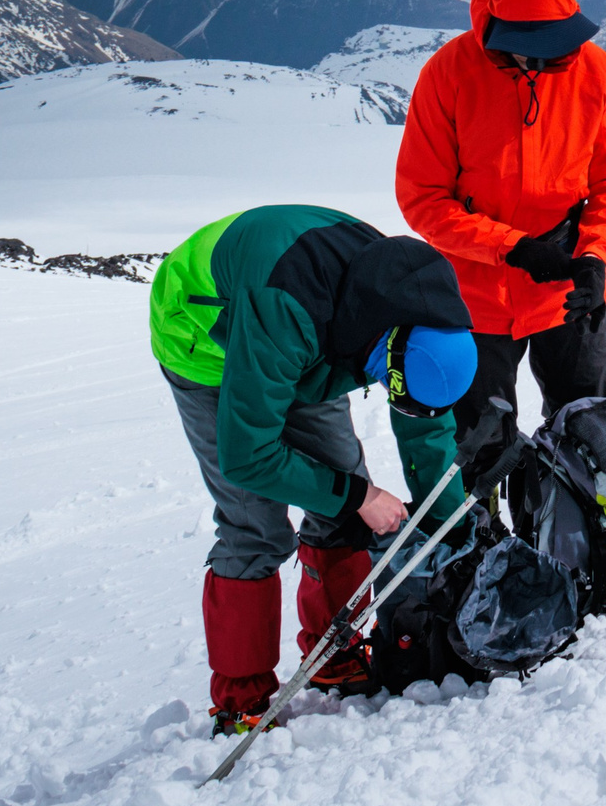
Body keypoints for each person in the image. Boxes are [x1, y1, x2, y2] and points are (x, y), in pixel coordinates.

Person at [149, 205, 480, 733]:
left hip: (303, 341)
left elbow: (425, 424)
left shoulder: (420, 315)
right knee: (254, 524)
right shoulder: (291, 315)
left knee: (342, 494)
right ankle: (242, 697)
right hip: (205, 334)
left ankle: (334, 652)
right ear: (388, 352)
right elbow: (247, 455)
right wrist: (359, 496)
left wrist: (450, 528)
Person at [395, 0, 606, 492]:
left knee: (595, 423)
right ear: (489, 27)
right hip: (473, 296)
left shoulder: (594, 70)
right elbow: (423, 198)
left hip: (567, 285)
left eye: (553, 53)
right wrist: (512, 247)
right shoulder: (448, 74)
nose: (536, 65)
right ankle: (487, 558)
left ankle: (594, 547)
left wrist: (596, 259)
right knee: (480, 448)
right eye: (523, 53)